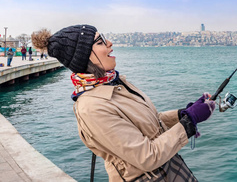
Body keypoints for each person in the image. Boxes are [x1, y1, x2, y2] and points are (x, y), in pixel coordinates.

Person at [31, 25, 215, 182]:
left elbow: (151, 123)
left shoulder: (117, 83)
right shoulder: (91, 107)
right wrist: (189, 122)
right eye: (100, 42)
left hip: (171, 170)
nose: (109, 43)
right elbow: (147, 157)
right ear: (84, 55)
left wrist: (183, 114)